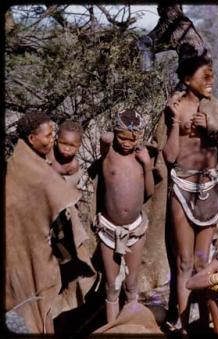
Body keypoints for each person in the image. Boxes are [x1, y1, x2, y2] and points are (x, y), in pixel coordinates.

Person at [162, 43, 218, 332]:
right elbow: (168, 156)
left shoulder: (215, 107)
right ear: (187, 79)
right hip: (181, 185)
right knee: (183, 262)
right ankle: (182, 325)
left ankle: (203, 323)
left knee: (202, 261)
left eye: (212, 76)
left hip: (209, 186)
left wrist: (212, 130)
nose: (210, 82)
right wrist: (172, 124)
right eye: (205, 76)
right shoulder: (175, 106)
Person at [6, 112, 94, 333]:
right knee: (35, 299)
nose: (52, 140)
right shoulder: (29, 169)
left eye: (53, 134)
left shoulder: (27, 159)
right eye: (48, 136)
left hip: (37, 246)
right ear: (31, 138)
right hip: (25, 250)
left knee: (41, 300)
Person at [93, 109, 154, 323]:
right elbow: (104, 137)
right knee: (111, 286)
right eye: (122, 137)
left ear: (140, 137)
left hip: (135, 229)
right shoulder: (108, 153)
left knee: (131, 285)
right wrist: (122, 131)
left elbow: (150, 192)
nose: (127, 143)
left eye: (133, 139)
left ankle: (131, 327)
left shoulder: (142, 157)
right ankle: (111, 329)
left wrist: (147, 165)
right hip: (108, 228)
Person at [48, 120, 83, 187]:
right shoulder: (49, 151)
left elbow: (68, 188)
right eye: (63, 143)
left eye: (72, 145)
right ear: (56, 141)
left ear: (78, 147)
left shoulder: (73, 166)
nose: (67, 149)